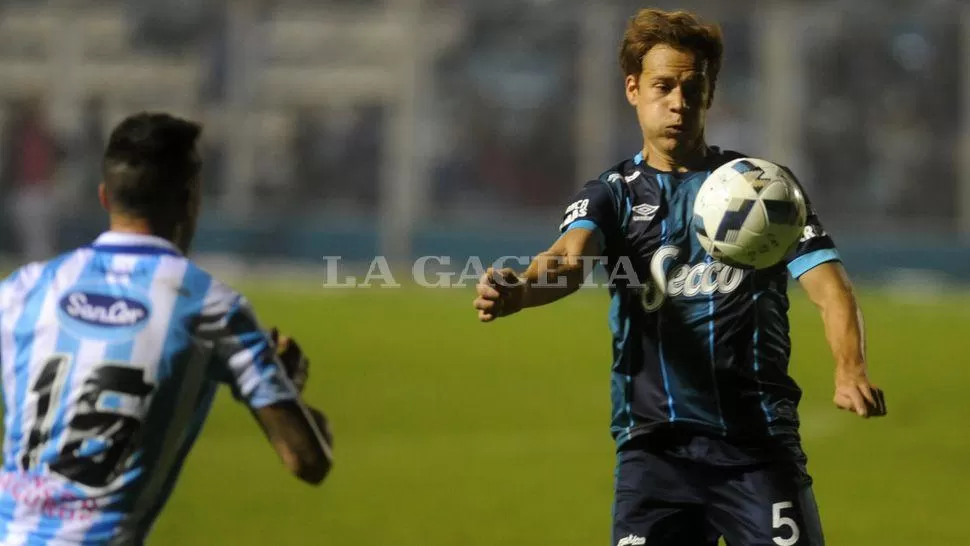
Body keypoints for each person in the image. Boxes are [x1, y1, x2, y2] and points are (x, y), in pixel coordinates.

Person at [473, 9, 885, 546]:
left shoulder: (765, 192)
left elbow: (830, 286)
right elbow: (568, 260)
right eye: (663, 86)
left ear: (710, 93)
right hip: (655, 455)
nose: (678, 103)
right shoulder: (613, 193)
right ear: (633, 89)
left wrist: (849, 368)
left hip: (758, 449)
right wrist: (521, 290)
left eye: (693, 88)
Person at [0, 112, 333, 544]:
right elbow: (307, 461)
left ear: (104, 197)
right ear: (190, 200)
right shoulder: (212, 307)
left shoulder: (23, 290)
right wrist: (287, 392)